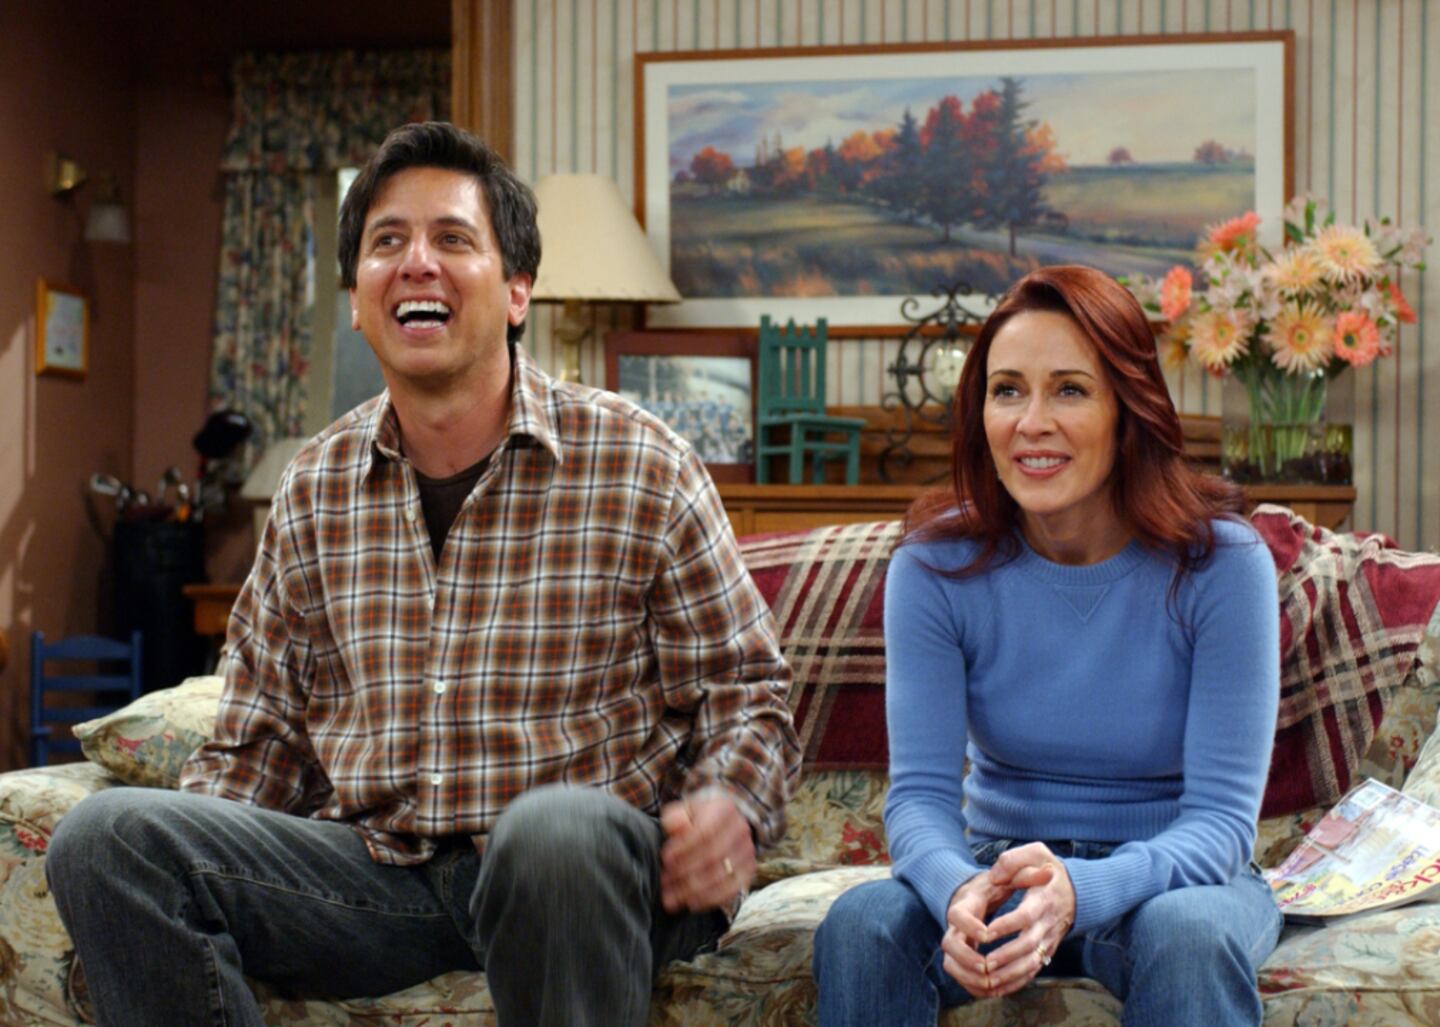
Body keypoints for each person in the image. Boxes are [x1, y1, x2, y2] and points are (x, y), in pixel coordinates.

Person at [46, 122, 799, 1027]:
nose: (416, 263)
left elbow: (747, 689)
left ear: (517, 290)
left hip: (593, 873)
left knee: (548, 833)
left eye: (452, 238)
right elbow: (260, 743)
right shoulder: (315, 487)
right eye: (388, 242)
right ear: (357, 300)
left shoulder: (640, 459)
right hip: (384, 878)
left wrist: (729, 801)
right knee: (105, 840)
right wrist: (190, 875)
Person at [813, 265, 1282, 1026]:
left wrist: (1082, 889)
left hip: (1170, 879)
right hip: (1000, 868)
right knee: (863, 923)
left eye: (1069, 389)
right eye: (1008, 390)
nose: (1031, 422)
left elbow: (1221, 824)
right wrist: (959, 890)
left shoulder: (1222, 563)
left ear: (1128, 409)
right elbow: (920, 799)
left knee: (1191, 936)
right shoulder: (934, 565)